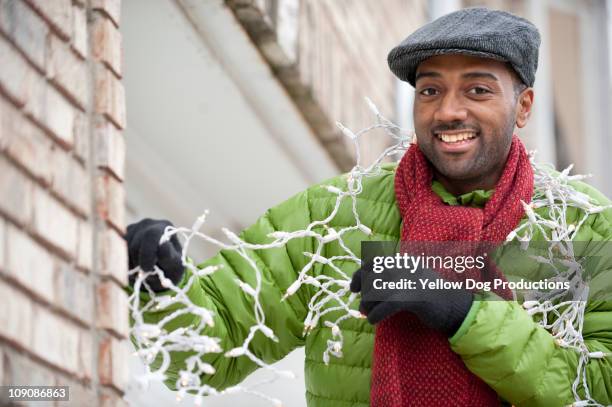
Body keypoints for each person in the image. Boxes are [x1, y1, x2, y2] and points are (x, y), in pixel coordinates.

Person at [125, 7, 612, 407]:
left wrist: (466, 313)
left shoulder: (579, 226)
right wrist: (162, 287)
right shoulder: (339, 214)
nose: (448, 111)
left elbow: (602, 389)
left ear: (523, 106)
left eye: (478, 90)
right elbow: (212, 349)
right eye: (430, 90)